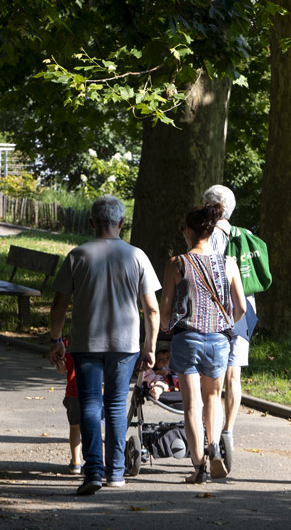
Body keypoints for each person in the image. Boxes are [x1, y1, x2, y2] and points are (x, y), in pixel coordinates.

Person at [49, 195, 161, 495]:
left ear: (91, 223)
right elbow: (151, 309)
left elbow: (58, 305)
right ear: (121, 223)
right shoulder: (137, 256)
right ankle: (116, 473)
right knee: (114, 403)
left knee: (89, 403)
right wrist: (150, 346)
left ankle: (93, 471)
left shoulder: (77, 255)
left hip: (85, 341)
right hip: (125, 345)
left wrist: (56, 340)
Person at [159, 203, 246, 483]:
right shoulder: (228, 263)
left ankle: (198, 468)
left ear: (187, 231)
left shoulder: (176, 264)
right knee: (213, 399)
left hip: (187, 339)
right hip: (219, 341)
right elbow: (241, 307)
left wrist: (164, 328)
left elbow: (165, 309)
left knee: (191, 405)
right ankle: (215, 447)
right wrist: (224, 324)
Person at [202, 184, 255, 472]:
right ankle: (229, 431)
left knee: (213, 378)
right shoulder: (244, 235)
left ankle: (210, 436)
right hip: (245, 308)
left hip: (216, 307)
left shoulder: (207, 236)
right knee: (234, 374)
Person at [53, 340, 83, 474]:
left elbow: (61, 369)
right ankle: (93, 462)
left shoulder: (67, 344)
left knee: (75, 427)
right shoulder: (96, 340)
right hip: (92, 392)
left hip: (73, 392)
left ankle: (76, 462)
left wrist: (60, 364)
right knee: (91, 427)